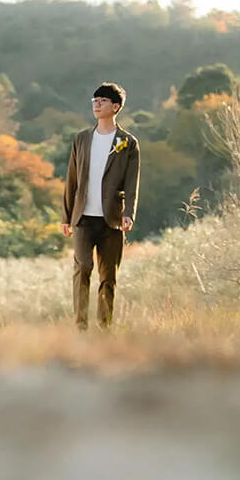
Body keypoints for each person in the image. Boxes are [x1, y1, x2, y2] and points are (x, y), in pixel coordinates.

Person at [61, 83, 141, 330]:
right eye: (94, 100)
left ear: (115, 107)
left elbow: (132, 181)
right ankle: (80, 327)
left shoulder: (128, 142)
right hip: (83, 217)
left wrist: (129, 214)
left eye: (102, 101)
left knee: (108, 278)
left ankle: (104, 328)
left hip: (112, 220)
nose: (96, 104)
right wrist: (66, 216)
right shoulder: (82, 139)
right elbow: (71, 179)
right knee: (83, 267)